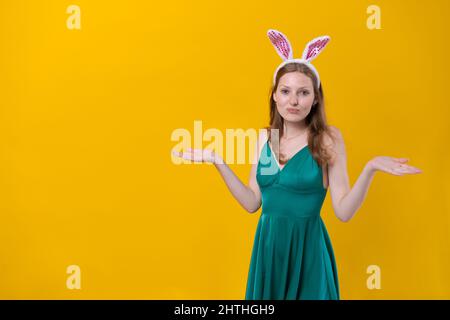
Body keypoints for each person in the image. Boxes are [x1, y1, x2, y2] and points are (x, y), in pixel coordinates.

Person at [172, 29, 422, 300]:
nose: (293, 100)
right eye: (286, 91)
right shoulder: (266, 138)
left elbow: (344, 211)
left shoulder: (327, 139)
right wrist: (216, 161)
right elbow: (252, 202)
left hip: (308, 254)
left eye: (303, 92)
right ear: (274, 96)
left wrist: (370, 168)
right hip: (269, 251)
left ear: (315, 98)